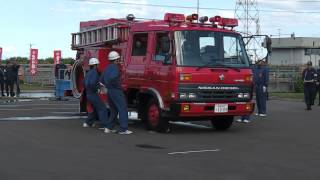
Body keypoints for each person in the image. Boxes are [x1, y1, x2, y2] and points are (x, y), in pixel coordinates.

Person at [101, 51, 133, 135]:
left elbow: (102, 80)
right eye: (118, 59)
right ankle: (123, 129)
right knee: (122, 108)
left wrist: (108, 85)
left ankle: (109, 128)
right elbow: (113, 77)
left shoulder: (107, 68)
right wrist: (117, 85)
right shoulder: (115, 68)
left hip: (109, 91)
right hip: (116, 90)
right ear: (116, 60)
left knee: (114, 110)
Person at [83, 58, 110, 131]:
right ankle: (105, 126)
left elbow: (84, 82)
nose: (98, 65)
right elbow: (93, 83)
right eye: (97, 64)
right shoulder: (95, 72)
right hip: (93, 94)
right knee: (102, 108)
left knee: (94, 109)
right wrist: (98, 88)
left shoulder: (88, 73)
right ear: (95, 65)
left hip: (88, 94)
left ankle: (88, 122)